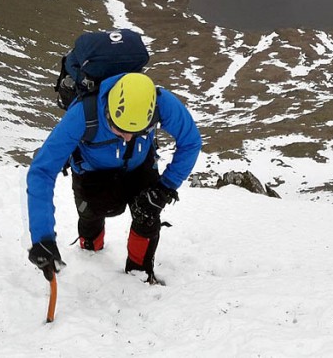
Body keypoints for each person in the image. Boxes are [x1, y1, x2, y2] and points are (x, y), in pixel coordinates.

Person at [26, 71, 202, 284]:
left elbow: (191, 141)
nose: (127, 137)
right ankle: (90, 248)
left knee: (148, 212)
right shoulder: (83, 113)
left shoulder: (161, 103)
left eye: (137, 131)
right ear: (107, 112)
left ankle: (139, 273)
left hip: (139, 166)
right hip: (92, 172)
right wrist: (43, 238)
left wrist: (166, 186)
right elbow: (42, 171)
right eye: (120, 129)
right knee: (91, 213)